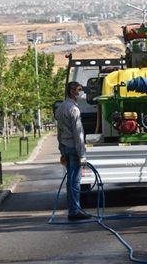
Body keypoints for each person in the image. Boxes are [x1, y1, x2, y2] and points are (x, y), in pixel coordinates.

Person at [55, 81, 89, 220]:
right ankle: (74, 211)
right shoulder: (74, 109)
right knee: (75, 181)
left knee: (70, 179)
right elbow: (78, 134)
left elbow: (59, 130)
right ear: (72, 91)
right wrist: (82, 155)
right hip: (73, 148)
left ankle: (73, 209)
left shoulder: (61, 107)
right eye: (79, 90)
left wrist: (61, 149)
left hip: (65, 146)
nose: (81, 92)